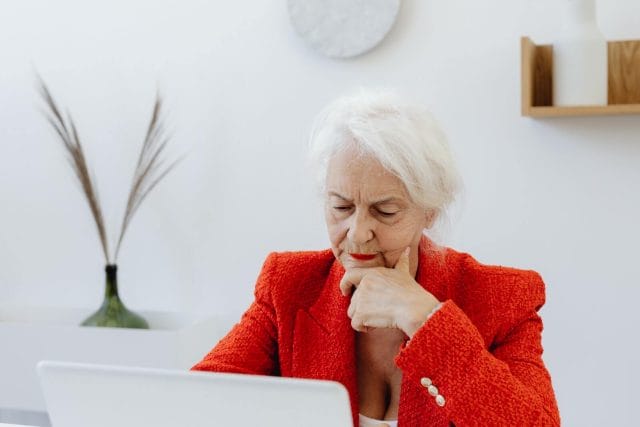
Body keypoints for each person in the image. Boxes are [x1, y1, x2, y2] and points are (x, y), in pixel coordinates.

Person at [192, 90, 560, 427]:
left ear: (428, 211)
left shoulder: (502, 297)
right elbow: (192, 406)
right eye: (341, 206)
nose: (357, 232)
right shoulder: (289, 286)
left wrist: (427, 321)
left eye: (385, 211)